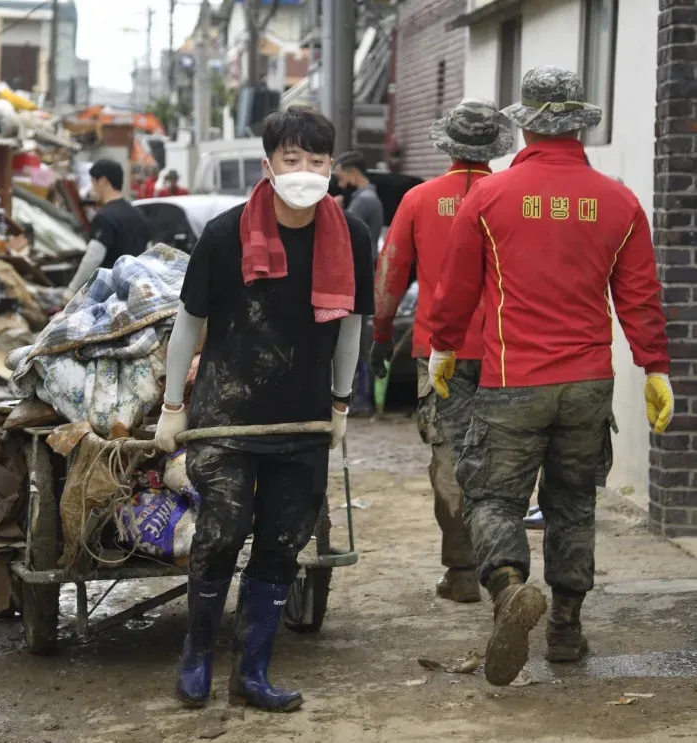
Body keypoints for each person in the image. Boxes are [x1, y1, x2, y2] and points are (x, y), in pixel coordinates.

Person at [427, 66, 672, 686]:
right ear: (579, 124)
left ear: (527, 121)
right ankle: (565, 627)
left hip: (513, 380)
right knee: (572, 506)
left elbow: (454, 291)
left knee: (492, 498)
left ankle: (510, 588)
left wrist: (443, 348)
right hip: (589, 383)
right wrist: (655, 367)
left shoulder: (488, 197)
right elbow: (640, 297)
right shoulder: (617, 201)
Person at [154, 107, 374, 712]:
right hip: (229, 416)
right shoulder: (226, 234)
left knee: (282, 543)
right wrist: (175, 407)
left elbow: (352, 327)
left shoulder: (351, 236)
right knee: (222, 534)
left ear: (333, 166)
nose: (306, 171)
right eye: (293, 160)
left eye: (318, 161)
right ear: (269, 164)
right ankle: (197, 657)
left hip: (301, 418)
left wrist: (340, 402)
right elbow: (187, 326)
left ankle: (252, 671)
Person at [371, 99, 513, 604]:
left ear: (447, 145)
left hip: (439, 353)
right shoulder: (513, 197)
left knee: (449, 457)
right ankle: (504, 572)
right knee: (501, 460)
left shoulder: (419, 199)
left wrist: (382, 335)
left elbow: (390, 274)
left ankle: (460, 572)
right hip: (506, 352)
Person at [333, 151, 384, 416]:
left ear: (352, 172)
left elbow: (340, 231)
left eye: (339, 173)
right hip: (364, 273)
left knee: (355, 339)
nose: (337, 179)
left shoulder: (363, 201)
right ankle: (361, 397)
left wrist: (336, 207)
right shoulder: (370, 198)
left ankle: (360, 398)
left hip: (355, 276)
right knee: (360, 336)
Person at [68, 159, 152, 293]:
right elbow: (148, 252)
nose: (92, 187)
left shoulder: (104, 218)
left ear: (103, 181)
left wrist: (72, 289)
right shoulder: (139, 215)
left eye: (93, 182)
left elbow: (93, 257)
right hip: (137, 291)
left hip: (110, 295)